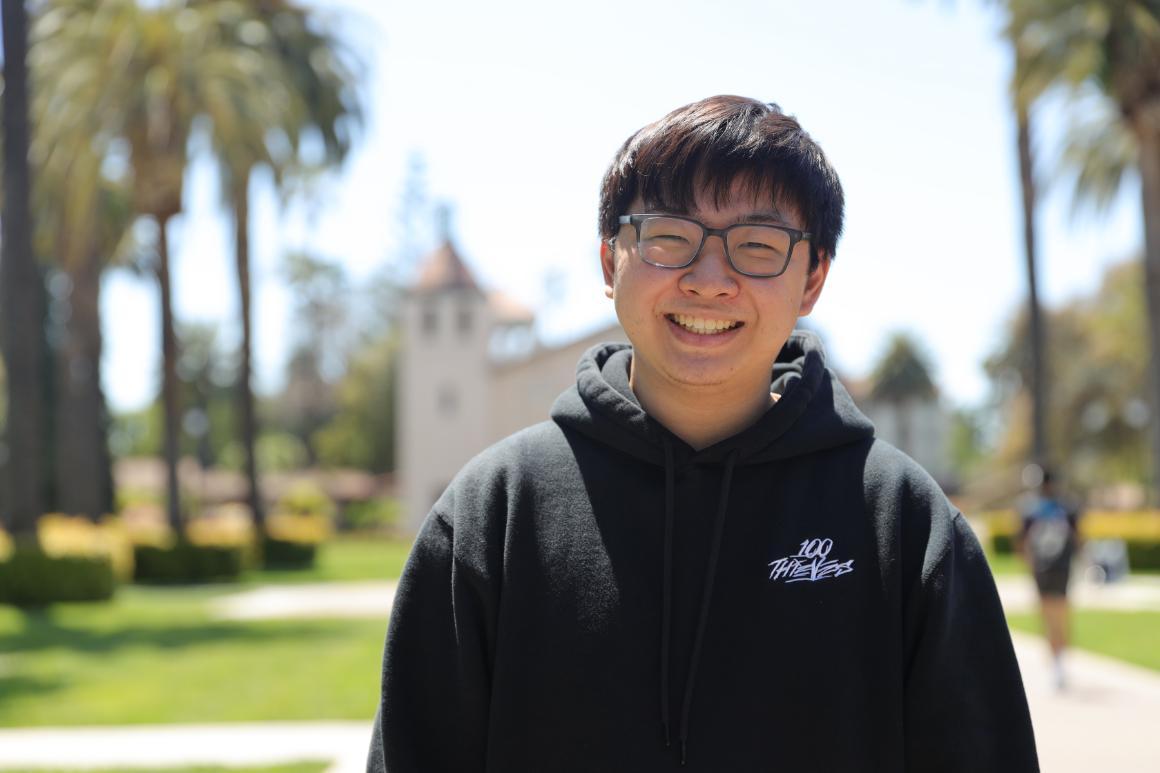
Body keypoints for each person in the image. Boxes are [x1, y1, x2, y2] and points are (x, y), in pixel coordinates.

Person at [367, 95, 1039, 772]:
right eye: (669, 237)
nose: (710, 280)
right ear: (609, 261)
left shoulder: (903, 521)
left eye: (757, 245)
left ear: (812, 279)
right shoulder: (493, 515)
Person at [1018, 465, 1081, 690]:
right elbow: (1078, 539)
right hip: (1057, 568)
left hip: (1048, 568)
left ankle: (1058, 662)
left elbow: (1023, 543)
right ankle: (1058, 662)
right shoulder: (1063, 507)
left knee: (1050, 615)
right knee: (1057, 614)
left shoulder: (1033, 508)